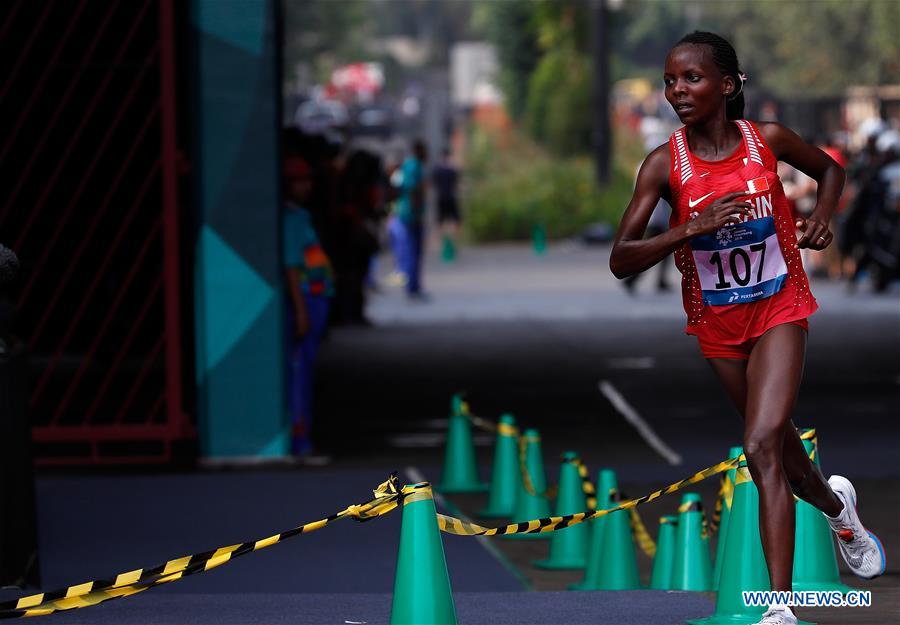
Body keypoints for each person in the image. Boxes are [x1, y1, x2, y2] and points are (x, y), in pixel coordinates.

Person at [609, 32, 885, 625]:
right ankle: (839, 511)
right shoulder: (664, 164)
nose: (677, 91)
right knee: (783, 453)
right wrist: (688, 228)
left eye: (692, 78)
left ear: (728, 85)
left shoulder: (768, 142)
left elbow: (830, 171)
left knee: (760, 446)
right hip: (718, 323)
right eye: (670, 81)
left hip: (780, 307)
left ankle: (778, 609)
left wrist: (821, 219)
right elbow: (621, 258)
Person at [283, 156, 334, 463]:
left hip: (313, 300)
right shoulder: (292, 220)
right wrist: (302, 311)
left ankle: (303, 436)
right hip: (307, 300)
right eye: (300, 180)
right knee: (300, 371)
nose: (307, 185)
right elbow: (291, 266)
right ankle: (300, 440)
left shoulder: (298, 216)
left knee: (304, 368)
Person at [396, 140, 429, 299]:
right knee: (414, 252)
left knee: (410, 251)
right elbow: (414, 190)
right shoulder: (416, 166)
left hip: (405, 214)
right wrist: (417, 213)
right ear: (419, 151)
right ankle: (413, 287)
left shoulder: (407, 165)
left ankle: (413, 286)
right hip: (412, 216)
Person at [431, 147, 461, 258]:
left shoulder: (437, 170)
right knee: (456, 221)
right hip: (451, 198)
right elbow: (456, 184)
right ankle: (454, 243)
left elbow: (433, 184)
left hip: (440, 198)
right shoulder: (452, 170)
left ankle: (442, 245)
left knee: (440, 222)